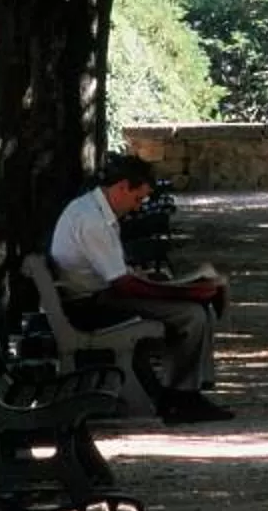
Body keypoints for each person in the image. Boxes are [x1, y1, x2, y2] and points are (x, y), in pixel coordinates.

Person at [51, 152, 232, 424]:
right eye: (137, 199)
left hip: (97, 294)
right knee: (191, 315)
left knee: (198, 310)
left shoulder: (92, 210)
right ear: (122, 187)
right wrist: (184, 292)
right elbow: (123, 284)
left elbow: (119, 275)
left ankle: (188, 391)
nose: (137, 207)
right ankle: (181, 398)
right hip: (89, 305)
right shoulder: (92, 221)